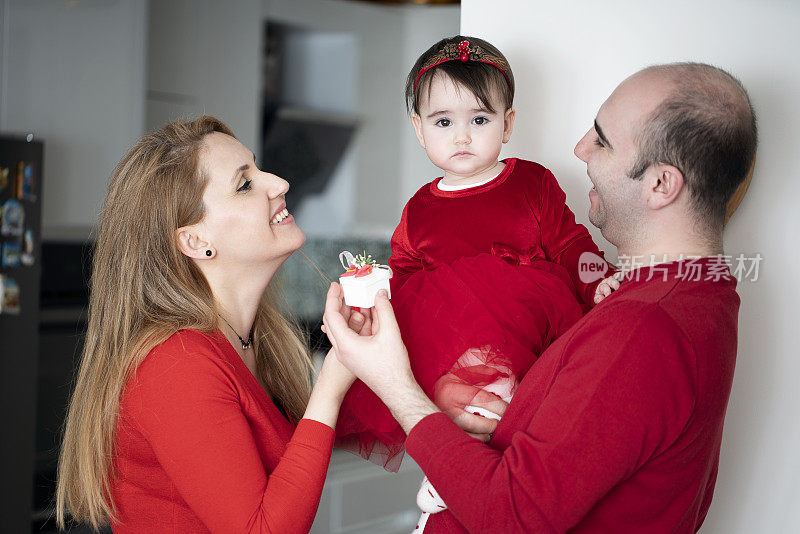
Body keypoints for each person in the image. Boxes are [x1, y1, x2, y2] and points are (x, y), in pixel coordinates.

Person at [323, 61, 757, 532]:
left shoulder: (644, 328)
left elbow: (511, 515)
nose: (579, 149)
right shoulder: (691, 295)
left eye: (602, 139)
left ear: (660, 184)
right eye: (442, 121)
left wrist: (397, 387)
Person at [334, 35, 617, 529]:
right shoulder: (420, 209)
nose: (462, 137)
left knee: (519, 419)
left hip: (529, 329)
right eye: (444, 123)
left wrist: (599, 282)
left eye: (479, 121)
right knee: (458, 416)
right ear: (420, 132)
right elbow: (403, 275)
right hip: (450, 349)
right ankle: (447, 483)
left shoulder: (531, 182)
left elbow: (572, 244)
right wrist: (371, 296)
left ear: (508, 124)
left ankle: (486, 486)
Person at [55, 116, 369, 533]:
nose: (278, 183)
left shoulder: (254, 336)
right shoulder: (177, 366)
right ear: (195, 242)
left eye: (257, 168)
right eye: (244, 184)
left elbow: (304, 448)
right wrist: (331, 382)